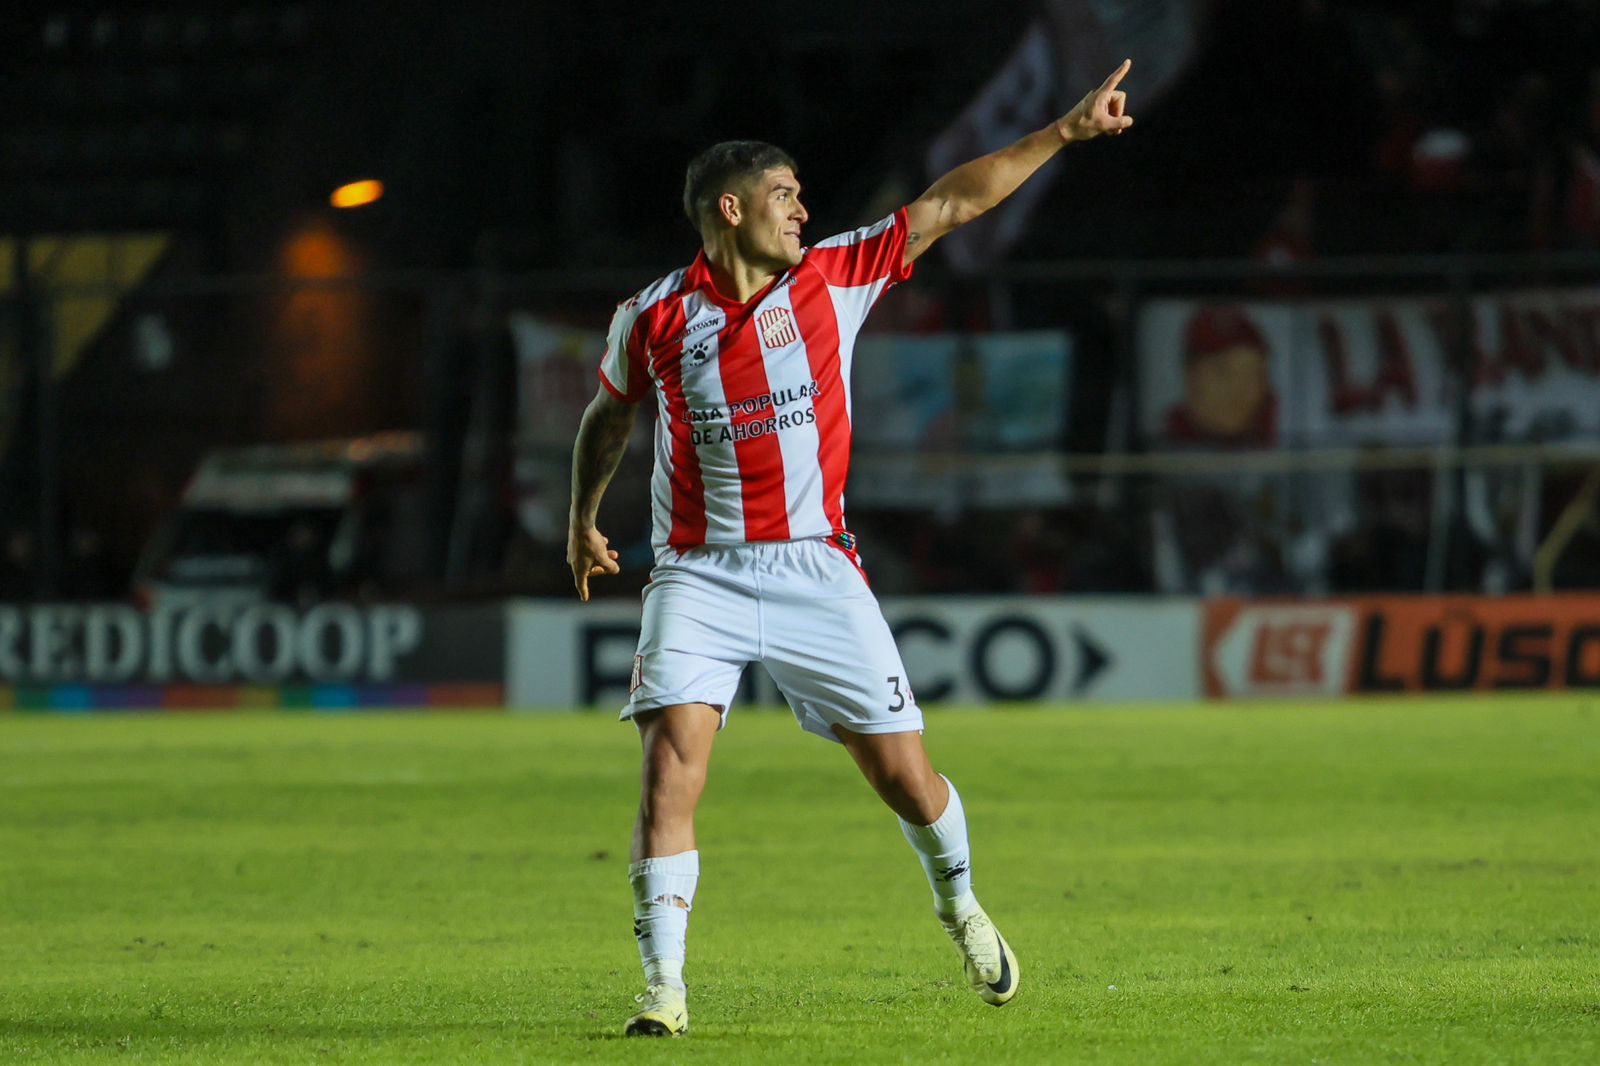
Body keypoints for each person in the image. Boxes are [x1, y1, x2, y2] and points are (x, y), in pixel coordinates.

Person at [568, 59, 1135, 1038]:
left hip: (814, 569)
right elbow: (607, 417)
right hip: (696, 573)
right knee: (669, 772)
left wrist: (1063, 134)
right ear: (731, 208)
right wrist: (582, 518)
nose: (803, 210)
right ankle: (663, 987)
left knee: (905, 779)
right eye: (785, 195)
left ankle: (960, 902)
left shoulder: (834, 279)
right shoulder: (652, 316)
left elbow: (950, 203)